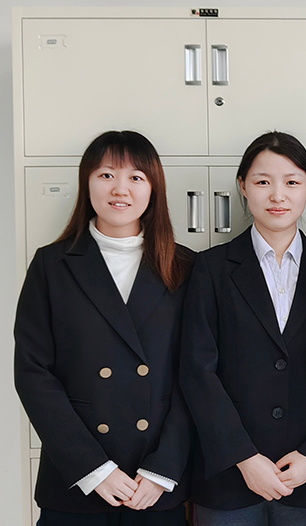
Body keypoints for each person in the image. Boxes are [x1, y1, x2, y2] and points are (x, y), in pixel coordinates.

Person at [14, 130, 194, 525]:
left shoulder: (186, 267)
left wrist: (163, 469)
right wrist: (93, 469)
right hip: (76, 482)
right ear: (87, 182)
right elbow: (33, 373)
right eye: (107, 175)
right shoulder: (52, 265)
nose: (120, 189)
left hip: (154, 486)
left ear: (153, 188)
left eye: (136, 177)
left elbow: (197, 376)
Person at [180, 132, 306, 525]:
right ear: (243, 187)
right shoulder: (211, 268)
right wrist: (244, 457)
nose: (277, 195)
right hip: (227, 478)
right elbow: (197, 371)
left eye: (292, 182)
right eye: (263, 181)